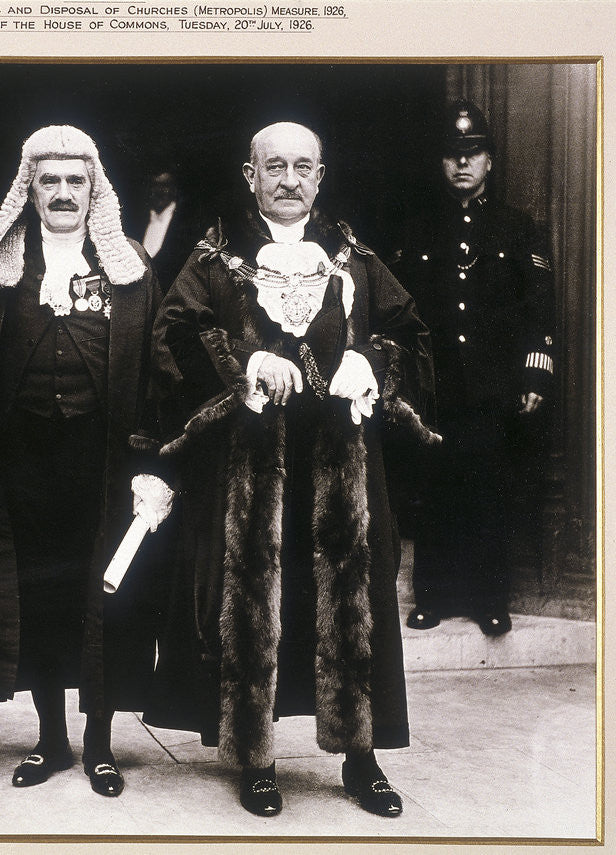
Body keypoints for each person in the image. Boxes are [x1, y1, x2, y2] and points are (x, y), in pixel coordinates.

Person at [147, 121, 438, 818]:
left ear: (321, 175)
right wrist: (243, 361)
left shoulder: (355, 256)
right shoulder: (216, 255)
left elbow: (413, 334)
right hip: (252, 472)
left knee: (352, 606)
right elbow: (170, 337)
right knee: (255, 606)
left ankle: (360, 757)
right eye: (272, 165)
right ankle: (256, 757)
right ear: (249, 175)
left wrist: (371, 357)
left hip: (344, 467)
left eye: (302, 166)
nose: (288, 178)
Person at [0, 124, 172, 798]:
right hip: (23, 459)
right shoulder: (2, 270)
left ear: (96, 190)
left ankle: (99, 743)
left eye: (75, 181)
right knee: (39, 594)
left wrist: (153, 465)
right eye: (49, 180)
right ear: (28, 190)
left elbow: (157, 371)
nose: (63, 193)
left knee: (103, 598)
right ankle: (50, 738)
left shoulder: (132, 272)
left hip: (103, 458)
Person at [392, 100, 556, 636]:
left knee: (489, 488)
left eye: (474, 153)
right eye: (452, 154)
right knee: (435, 487)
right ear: (441, 162)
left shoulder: (518, 229)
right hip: (435, 386)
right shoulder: (414, 229)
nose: (463, 164)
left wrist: (535, 370)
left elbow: (539, 306)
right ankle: (432, 597)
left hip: (493, 386)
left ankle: (490, 598)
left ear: (490, 161)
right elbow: (398, 312)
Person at [130, 168, 200, 293]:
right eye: (154, 185)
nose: (159, 191)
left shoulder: (188, 224)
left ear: (175, 189)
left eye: (165, 186)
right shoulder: (136, 220)